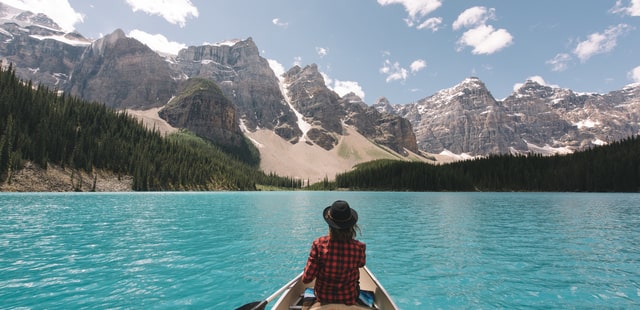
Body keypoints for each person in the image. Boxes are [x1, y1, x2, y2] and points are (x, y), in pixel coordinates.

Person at [302, 200, 367, 309]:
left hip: (323, 299)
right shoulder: (359, 247)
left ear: (330, 224)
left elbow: (306, 279)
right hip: (349, 298)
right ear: (351, 225)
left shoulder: (318, 245)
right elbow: (361, 264)